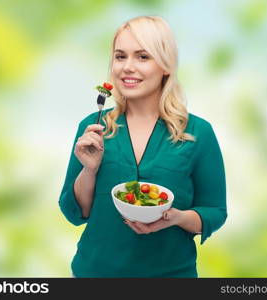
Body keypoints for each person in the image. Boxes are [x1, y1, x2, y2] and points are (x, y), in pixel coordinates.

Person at [59, 16, 227, 278]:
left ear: (166, 66)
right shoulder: (93, 128)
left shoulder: (197, 133)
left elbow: (214, 211)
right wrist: (89, 171)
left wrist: (178, 218)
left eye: (142, 57)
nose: (127, 67)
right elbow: (75, 212)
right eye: (120, 56)